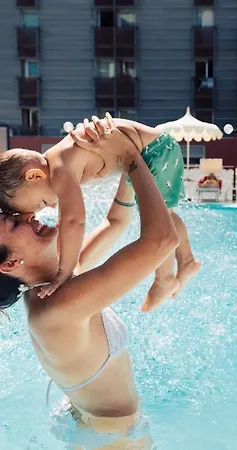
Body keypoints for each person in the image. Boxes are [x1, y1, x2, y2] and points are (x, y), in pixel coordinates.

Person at [0, 121, 178, 448]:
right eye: (14, 223)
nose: (27, 215)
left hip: (86, 419)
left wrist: (121, 153)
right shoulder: (57, 307)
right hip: (112, 438)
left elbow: (116, 222)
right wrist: (130, 155)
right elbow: (162, 241)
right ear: (10, 263)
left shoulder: (57, 283)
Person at [0, 113, 201, 312]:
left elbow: (73, 220)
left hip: (152, 152)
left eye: (43, 202)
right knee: (165, 213)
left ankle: (165, 278)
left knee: (160, 216)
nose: (52, 206)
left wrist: (65, 271)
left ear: (34, 176)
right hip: (154, 148)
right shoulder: (60, 160)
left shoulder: (60, 169)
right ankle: (186, 260)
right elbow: (71, 219)